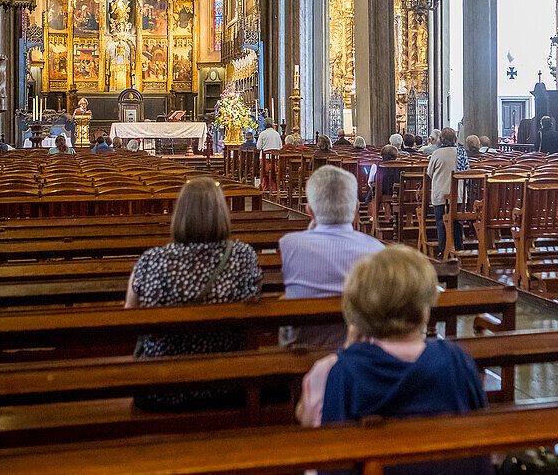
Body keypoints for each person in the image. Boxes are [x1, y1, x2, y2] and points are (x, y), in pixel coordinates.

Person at [297, 248, 489, 475]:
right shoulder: (456, 359)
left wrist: (348, 350)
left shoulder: (342, 370)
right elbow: (480, 434)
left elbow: (332, 455)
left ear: (359, 313)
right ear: (425, 308)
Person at [125, 177, 264, 409]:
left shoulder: (151, 260)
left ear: (179, 214)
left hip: (160, 388)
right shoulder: (243, 256)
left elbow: (129, 316)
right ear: (222, 213)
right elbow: (253, 303)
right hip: (228, 385)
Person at [279, 166, 384, 346]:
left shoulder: (289, 244)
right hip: (356, 348)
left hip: (302, 344)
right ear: (357, 209)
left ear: (309, 211)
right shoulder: (377, 250)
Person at [427, 127, 464, 256]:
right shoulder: (461, 152)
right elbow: (466, 171)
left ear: (441, 139)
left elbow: (429, 173)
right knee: (457, 222)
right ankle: (459, 249)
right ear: (455, 138)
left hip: (441, 193)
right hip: (458, 194)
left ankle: (444, 251)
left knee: (441, 222)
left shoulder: (437, 153)